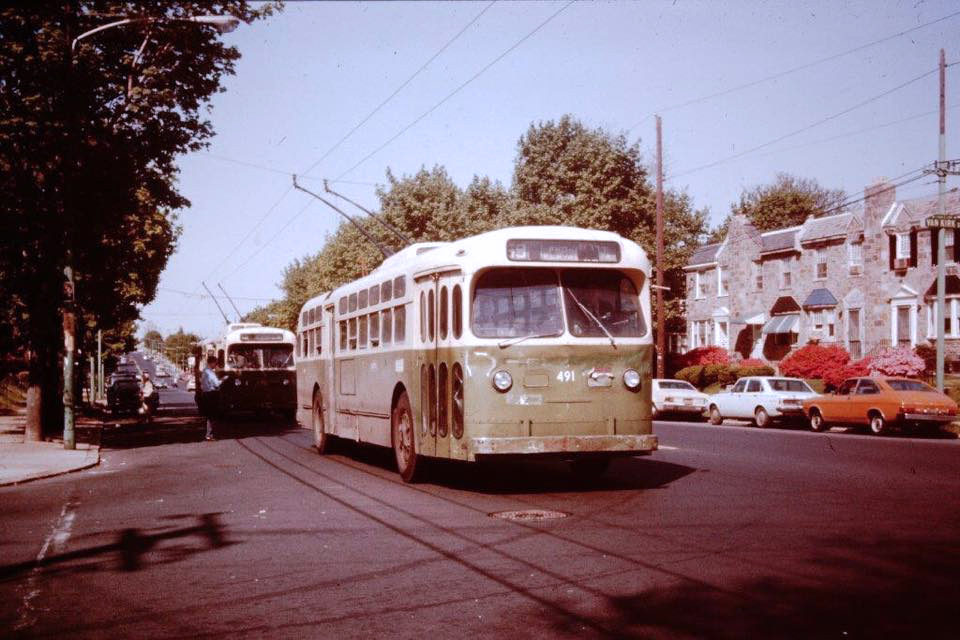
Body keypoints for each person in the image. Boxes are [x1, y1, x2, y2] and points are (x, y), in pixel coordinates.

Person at [200, 355, 222, 441]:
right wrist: (223, 379)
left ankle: (209, 434)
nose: (216, 365)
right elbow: (217, 384)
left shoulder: (204, 371)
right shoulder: (210, 372)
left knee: (210, 415)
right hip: (211, 394)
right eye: (215, 363)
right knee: (213, 415)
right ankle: (210, 434)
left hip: (206, 394)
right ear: (212, 363)